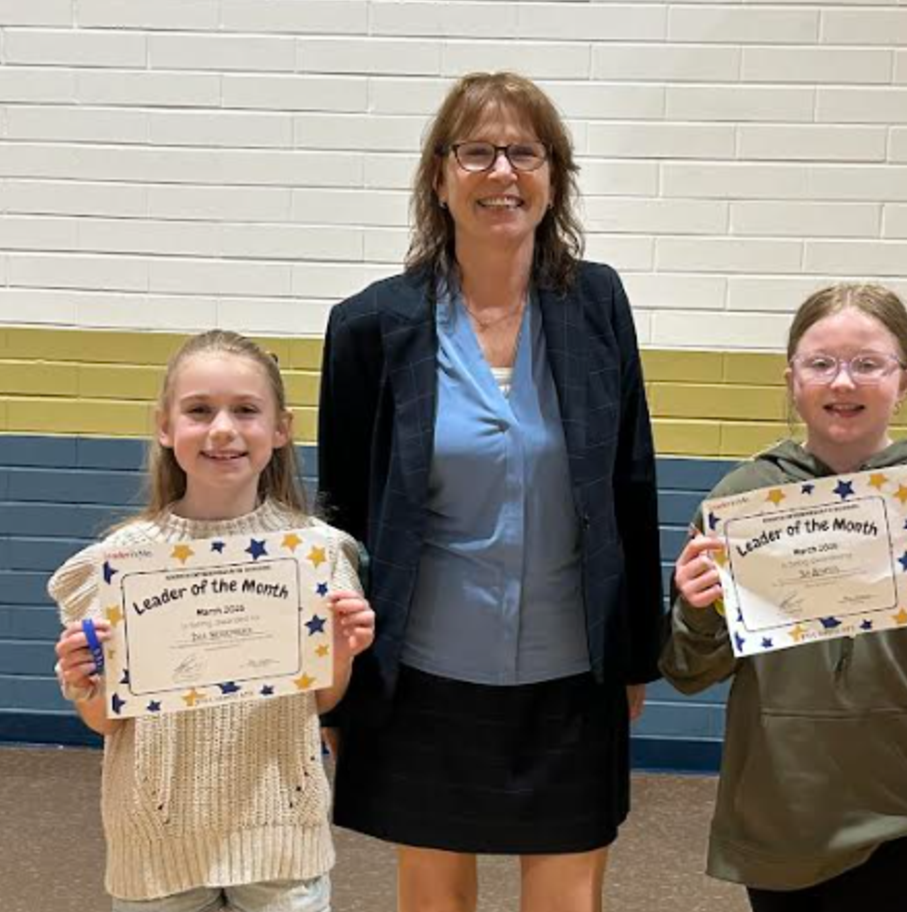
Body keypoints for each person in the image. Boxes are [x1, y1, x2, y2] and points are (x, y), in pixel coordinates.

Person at [314, 71, 663, 911]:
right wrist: (335, 675)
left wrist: (635, 651)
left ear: (554, 177)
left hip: (572, 668)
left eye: (525, 153)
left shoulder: (598, 303)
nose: (502, 172)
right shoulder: (371, 325)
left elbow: (631, 482)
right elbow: (344, 515)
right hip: (426, 667)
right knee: (434, 894)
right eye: (477, 152)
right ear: (440, 176)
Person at [664, 283, 907, 912]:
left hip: (904, 806)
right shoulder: (741, 501)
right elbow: (691, 671)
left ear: (904, 382)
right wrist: (696, 608)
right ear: (791, 378)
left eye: (868, 364)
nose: (842, 383)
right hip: (780, 805)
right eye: (821, 363)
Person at [50, 330, 376, 912]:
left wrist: (344, 649)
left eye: (246, 410)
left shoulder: (318, 555)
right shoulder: (119, 563)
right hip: (158, 837)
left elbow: (323, 702)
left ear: (281, 429)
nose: (222, 429)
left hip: (280, 831)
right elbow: (105, 722)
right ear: (164, 426)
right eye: (199, 410)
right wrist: (82, 679)